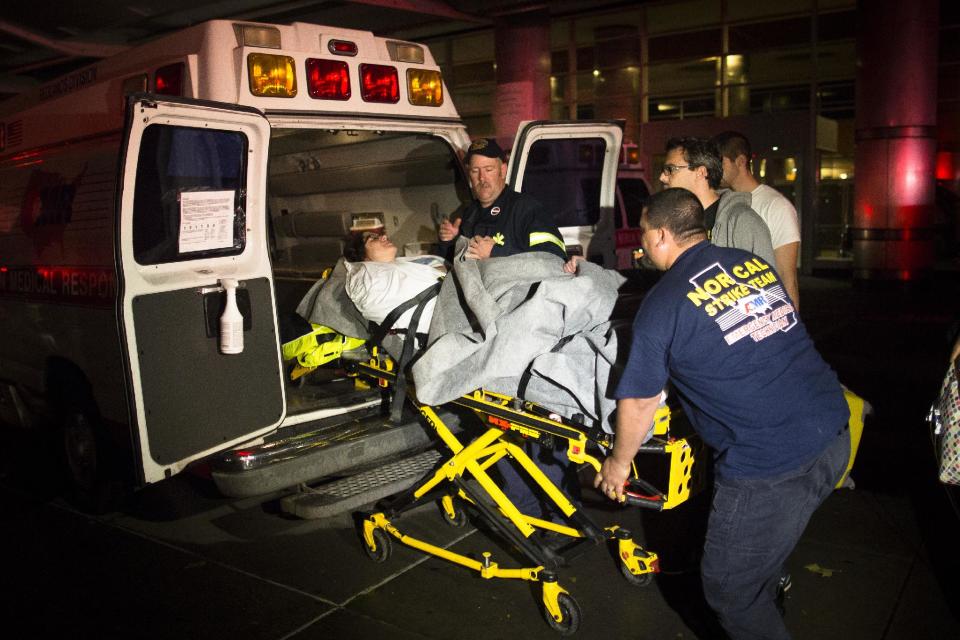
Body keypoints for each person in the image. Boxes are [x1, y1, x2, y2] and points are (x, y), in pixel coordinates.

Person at [596, 187, 850, 640]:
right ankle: (768, 603)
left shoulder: (663, 303)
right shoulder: (750, 263)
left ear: (658, 236)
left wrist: (618, 464)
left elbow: (638, 402)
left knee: (729, 589)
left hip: (770, 467)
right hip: (832, 434)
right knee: (760, 569)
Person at [438, 137, 567, 262]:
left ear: (503, 171)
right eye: (475, 171)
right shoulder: (468, 214)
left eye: (489, 170)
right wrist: (451, 241)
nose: (482, 178)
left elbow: (553, 257)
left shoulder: (526, 209)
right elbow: (456, 266)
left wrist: (496, 252)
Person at [713, 130, 802, 310]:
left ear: (740, 162)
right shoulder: (719, 202)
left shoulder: (776, 206)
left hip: (763, 309)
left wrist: (790, 328)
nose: (713, 168)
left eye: (719, 161)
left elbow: (787, 277)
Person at [660, 136, 776, 269]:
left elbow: (768, 284)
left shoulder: (743, 221)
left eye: (670, 169)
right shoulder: (674, 220)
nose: (662, 177)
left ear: (701, 172)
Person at [343, 231, 446, 335]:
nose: (384, 236)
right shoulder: (374, 282)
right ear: (364, 258)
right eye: (373, 238)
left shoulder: (399, 266)